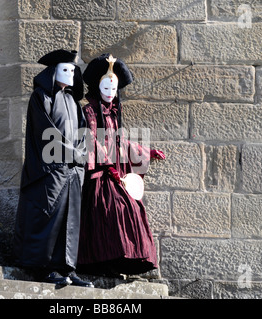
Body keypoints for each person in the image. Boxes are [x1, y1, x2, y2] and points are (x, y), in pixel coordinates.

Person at [77, 54, 166, 277]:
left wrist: (146, 152)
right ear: (98, 86)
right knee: (112, 209)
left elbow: (120, 142)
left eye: (114, 86)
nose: (110, 90)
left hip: (117, 172)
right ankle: (102, 262)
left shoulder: (115, 114)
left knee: (132, 208)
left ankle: (122, 263)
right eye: (106, 85)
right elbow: (90, 139)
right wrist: (108, 166)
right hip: (100, 174)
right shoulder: (89, 111)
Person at [13, 49, 93, 287]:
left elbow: (83, 133)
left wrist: (79, 157)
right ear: (53, 72)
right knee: (49, 216)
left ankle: (66, 267)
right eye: (64, 70)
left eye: (72, 71)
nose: (70, 75)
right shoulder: (41, 97)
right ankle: (43, 266)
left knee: (71, 219)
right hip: (50, 171)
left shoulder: (73, 102)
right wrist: (68, 154)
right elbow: (45, 131)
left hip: (72, 171)